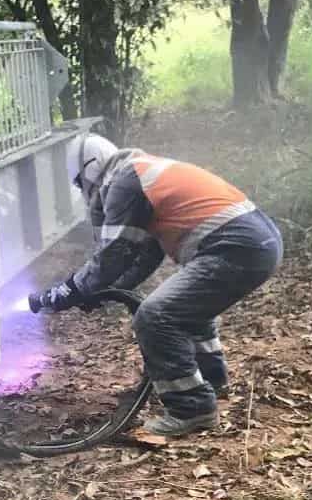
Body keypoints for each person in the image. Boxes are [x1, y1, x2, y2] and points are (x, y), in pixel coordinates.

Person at [34, 133, 283, 437]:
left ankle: (191, 408)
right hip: (259, 242)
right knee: (187, 313)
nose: (82, 191)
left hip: (234, 245)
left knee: (155, 316)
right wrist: (102, 291)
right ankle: (210, 384)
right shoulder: (140, 172)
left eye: (78, 183)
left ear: (89, 169)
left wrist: (70, 290)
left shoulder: (124, 181)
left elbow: (113, 254)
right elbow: (145, 255)